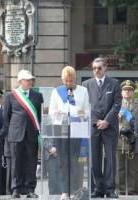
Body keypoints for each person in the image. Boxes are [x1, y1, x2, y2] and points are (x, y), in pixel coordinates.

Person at [47, 66, 90, 200]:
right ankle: (64, 191)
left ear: (75, 79)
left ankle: (75, 189)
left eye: (70, 81)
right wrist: (58, 114)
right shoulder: (57, 92)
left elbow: (87, 111)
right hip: (62, 130)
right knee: (63, 161)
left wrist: (78, 113)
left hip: (78, 130)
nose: (68, 84)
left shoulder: (83, 91)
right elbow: (51, 112)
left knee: (76, 162)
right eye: (65, 81)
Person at [82, 57, 122, 199]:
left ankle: (110, 189)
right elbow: (84, 106)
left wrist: (106, 121)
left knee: (110, 158)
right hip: (93, 127)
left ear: (105, 68)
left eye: (99, 68)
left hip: (110, 126)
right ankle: (98, 188)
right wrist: (96, 121)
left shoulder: (114, 84)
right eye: (94, 68)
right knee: (94, 158)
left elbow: (117, 104)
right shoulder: (86, 84)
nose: (96, 71)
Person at [3, 69, 43, 198]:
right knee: (15, 162)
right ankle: (16, 188)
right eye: (27, 80)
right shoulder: (11, 95)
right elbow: (6, 117)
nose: (30, 82)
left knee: (31, 162)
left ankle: (30, 188)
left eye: (31, 80)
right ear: (20, 81)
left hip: (32, 134)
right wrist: (9, 134)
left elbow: (40, 117)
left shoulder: (38, 96)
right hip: (15, 134)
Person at [117, 80, 138, 195]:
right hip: (119, 140)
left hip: (133, 140)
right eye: (125, 90)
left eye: (130, 90)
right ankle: (120, 191)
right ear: (121, 92)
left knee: (133, 169)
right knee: (119, 168)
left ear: (133, 92)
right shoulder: (116, 104)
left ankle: (133, 192)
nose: (127, 92)